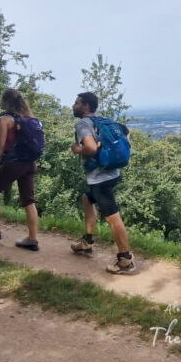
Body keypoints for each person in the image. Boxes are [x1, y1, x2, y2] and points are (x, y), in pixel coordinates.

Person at [69, 91, 135, 274]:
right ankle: (87, 242)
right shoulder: (104, 121)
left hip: (100, 178)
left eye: (77, 103)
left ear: (86, 106)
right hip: (113, 173)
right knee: (87, 199)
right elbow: (126, 137)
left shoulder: (83, 123)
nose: (73, 105)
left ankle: (125, 260)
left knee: (112, 217)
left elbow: (89, 148)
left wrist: (77, 149)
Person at [0, 88, 41, 251]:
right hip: (30, 163)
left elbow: (0, 147)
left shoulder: (4, 120)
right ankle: (32, 239)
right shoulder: (29, 118)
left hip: (13, 163)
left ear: (5, 101)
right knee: (29, 200)